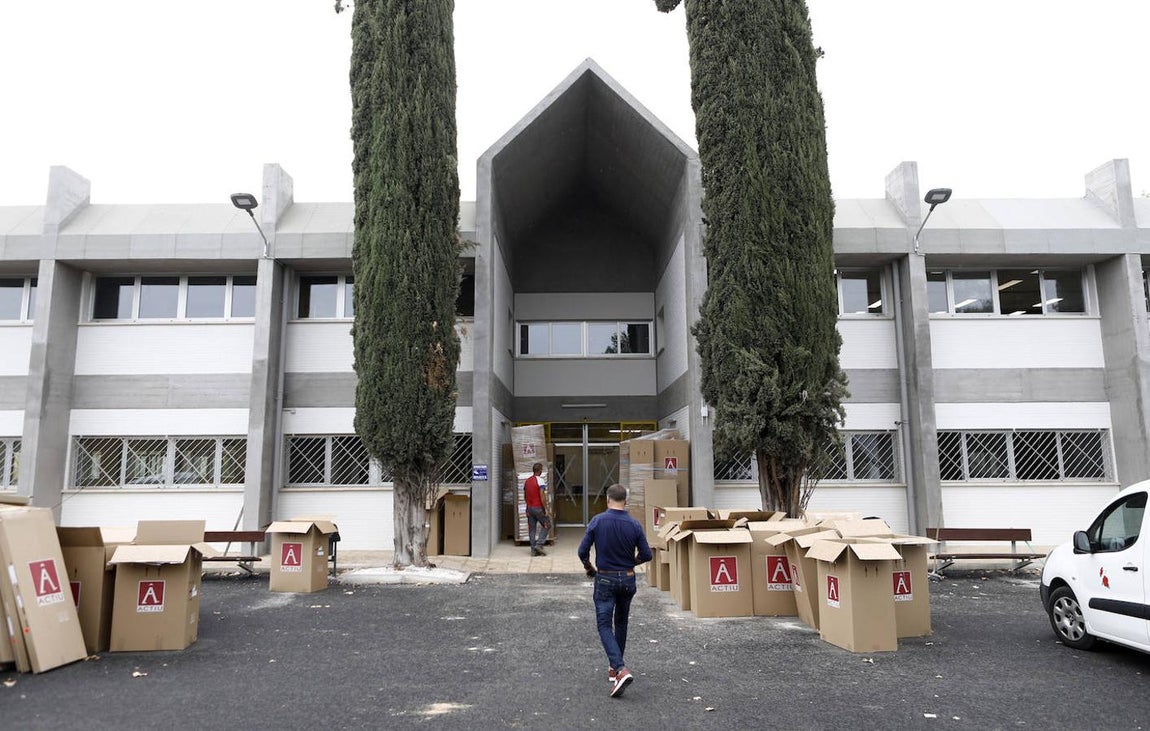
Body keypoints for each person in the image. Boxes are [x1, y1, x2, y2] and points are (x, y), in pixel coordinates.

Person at [577, 483, 653, 698]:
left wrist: (589, 567)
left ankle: (620, 669)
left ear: (608, 499)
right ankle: (614, 668)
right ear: (625, 500)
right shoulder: (634, 524)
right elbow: (647, 555)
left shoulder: (598, 521)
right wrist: (631, 562)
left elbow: (582, 551)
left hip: (605, 579)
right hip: (628, 579)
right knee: (621, 622)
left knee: (603, 624)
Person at [523, 462, 551, 557]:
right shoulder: (540, 480)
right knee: (547, 525)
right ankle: (539, 545)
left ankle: (533, 550)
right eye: (541, 469)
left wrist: (527, 508)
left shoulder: (527, 481)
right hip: (538, 508)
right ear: (539, 470)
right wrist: (546, 508)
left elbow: (525, 495)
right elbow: (542, 496)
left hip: (529, 508)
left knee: (532, 529)